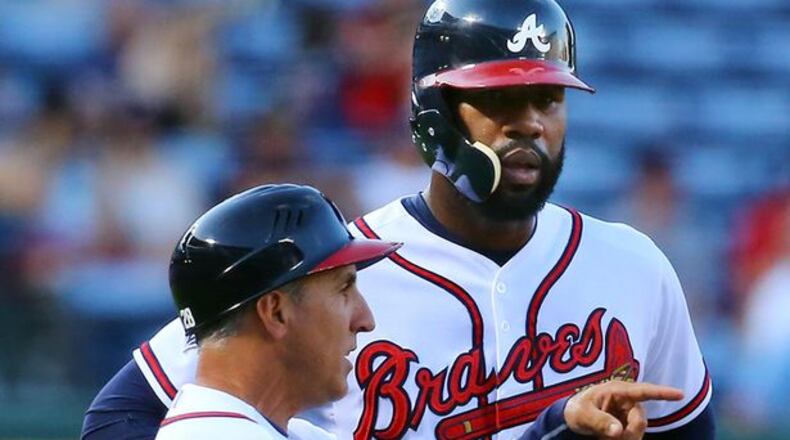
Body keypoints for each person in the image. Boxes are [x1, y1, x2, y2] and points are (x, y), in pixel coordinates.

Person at [83, 0, 715, 438]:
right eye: (498, 99)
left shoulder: (633, 266)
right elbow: (121, 417)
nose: (530, 122)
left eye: (547, 98)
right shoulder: (329, 270)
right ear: (434, 112)